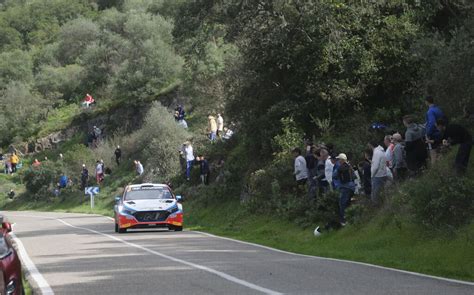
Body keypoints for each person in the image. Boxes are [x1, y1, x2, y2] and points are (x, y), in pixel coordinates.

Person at [335, 153, 355, 225]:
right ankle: (351, 217)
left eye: (339, 159)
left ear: (342, 160)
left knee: (342, 203)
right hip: (352, 187)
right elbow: (354, 176)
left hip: (345, 187)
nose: (338, 161)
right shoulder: (350, 166)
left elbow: (335, 176)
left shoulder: (340, 168)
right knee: (348, 203)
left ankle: (343, 221)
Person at [425, 96, 444, 165]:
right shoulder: (438, 109)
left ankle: (435, 172)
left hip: (433, 134)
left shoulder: (430, 111)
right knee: (441, 153)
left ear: (426, 102)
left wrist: (428, 133)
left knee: (433, 155)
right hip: (440, 133)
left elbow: (432, 123)